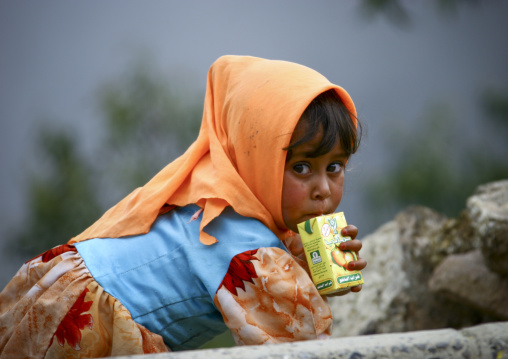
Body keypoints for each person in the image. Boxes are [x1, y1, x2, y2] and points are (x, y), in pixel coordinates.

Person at [0, 55, 366, 358]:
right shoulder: (252, 253)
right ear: (257, 159)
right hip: (84, 326)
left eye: (335, 167)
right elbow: (298, 348)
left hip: (63, 284)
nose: (323, 190)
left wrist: (310, 268)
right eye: (301, 167)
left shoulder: (213, 187)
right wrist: (303, 287)